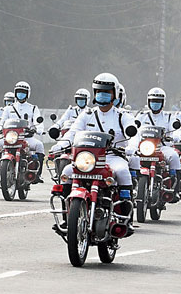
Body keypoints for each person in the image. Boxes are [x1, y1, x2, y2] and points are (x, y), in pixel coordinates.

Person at [52, 73, 136, 234]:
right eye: (99, 91)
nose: (102, 95)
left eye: (106, 92)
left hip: (113, 157)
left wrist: (131, 146)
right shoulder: (88, 114)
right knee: (67, 171)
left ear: (115, 94)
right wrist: (60, 144)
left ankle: (126, 218)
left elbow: (133, 133)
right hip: (87, 159)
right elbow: (73, 132)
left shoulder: (122, 115)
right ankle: (67, 219)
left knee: (122, 171)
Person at [0, 81, 45, 181]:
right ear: (15, 93)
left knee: (39, 145)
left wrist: (39, 129)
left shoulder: (33, 108)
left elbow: (38, 120)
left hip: (27, 138)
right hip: (10, 138)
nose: (21, 94)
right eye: (19, 91)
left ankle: (37, 175)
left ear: (27, 94)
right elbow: (2, 122)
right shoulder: (8, 108)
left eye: (23, 92)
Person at [126, 87, 181, 181]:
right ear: (148, 102)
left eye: (158, 101)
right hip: (144, 148)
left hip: (162, 147)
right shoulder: (141, 116)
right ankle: (133, 181)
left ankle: (176, 187)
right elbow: (135, 131)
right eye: (152, 101)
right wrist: (132, 145)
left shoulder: (168, 117)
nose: (155, 103)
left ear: (163, 103)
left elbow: (175, 129)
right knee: (131, 158)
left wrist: (176, 136)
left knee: (174, 156)